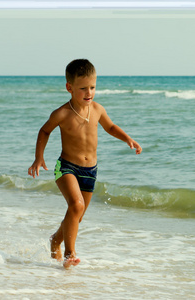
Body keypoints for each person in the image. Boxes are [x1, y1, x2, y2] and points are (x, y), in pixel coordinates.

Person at [28, 59, 142, 269]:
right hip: (66, 168)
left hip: (90, 170)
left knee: (77, 215)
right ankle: (70, 254)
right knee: (76, 205)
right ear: (69, 88)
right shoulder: (62, 113)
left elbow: (110, 127)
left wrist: (127, 138)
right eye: (83, 88)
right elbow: (44, 131)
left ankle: (55, 240)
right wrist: (39, 157)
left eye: (92, 87)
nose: (89, 92)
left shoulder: (97, 109)